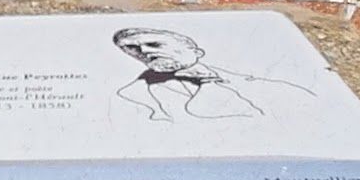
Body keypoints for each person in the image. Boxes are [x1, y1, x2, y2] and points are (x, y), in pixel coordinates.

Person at [109, 25, 303, 121]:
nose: (144, 52)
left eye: (154, 44)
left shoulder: (259, 82)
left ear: (196, 52)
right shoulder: (132, 95)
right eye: (132, 49)